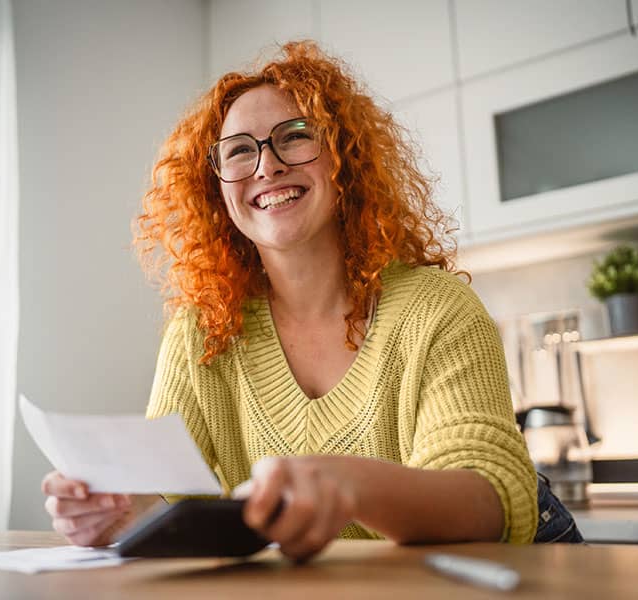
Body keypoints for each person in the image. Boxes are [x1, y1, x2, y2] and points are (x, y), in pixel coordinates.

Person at [42, 41, 580, 561]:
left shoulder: (436, 310)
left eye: (293, 136)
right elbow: (181, 508)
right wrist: (126, 514)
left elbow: (487, 503)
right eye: (239, 150)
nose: (266, 166)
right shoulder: (201, 334)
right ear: (217, 190)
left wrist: (348, 483)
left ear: (343, 157)